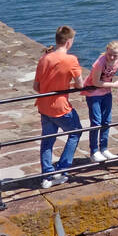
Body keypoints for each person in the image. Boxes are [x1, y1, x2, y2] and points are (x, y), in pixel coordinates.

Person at [33, 25, 84, 187]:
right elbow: (80, 84)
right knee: (76, 132)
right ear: (68, 42)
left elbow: (36, 87)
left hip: (43, 105)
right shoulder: (71, 60)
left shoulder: (44, 58)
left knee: (47, 140)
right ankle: (62, 169)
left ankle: (47, 175)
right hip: (60, 106)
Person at [85, 40, 118, 163]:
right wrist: (114, 85)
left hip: (106, 92)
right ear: (106, 51)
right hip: (93, 93)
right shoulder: (100, 62)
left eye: (115, 55)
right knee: (96, 122)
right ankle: (94, 151)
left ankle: (104, 148)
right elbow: (95, 82)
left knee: (107, 121)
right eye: (110, 54)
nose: (112, 57)